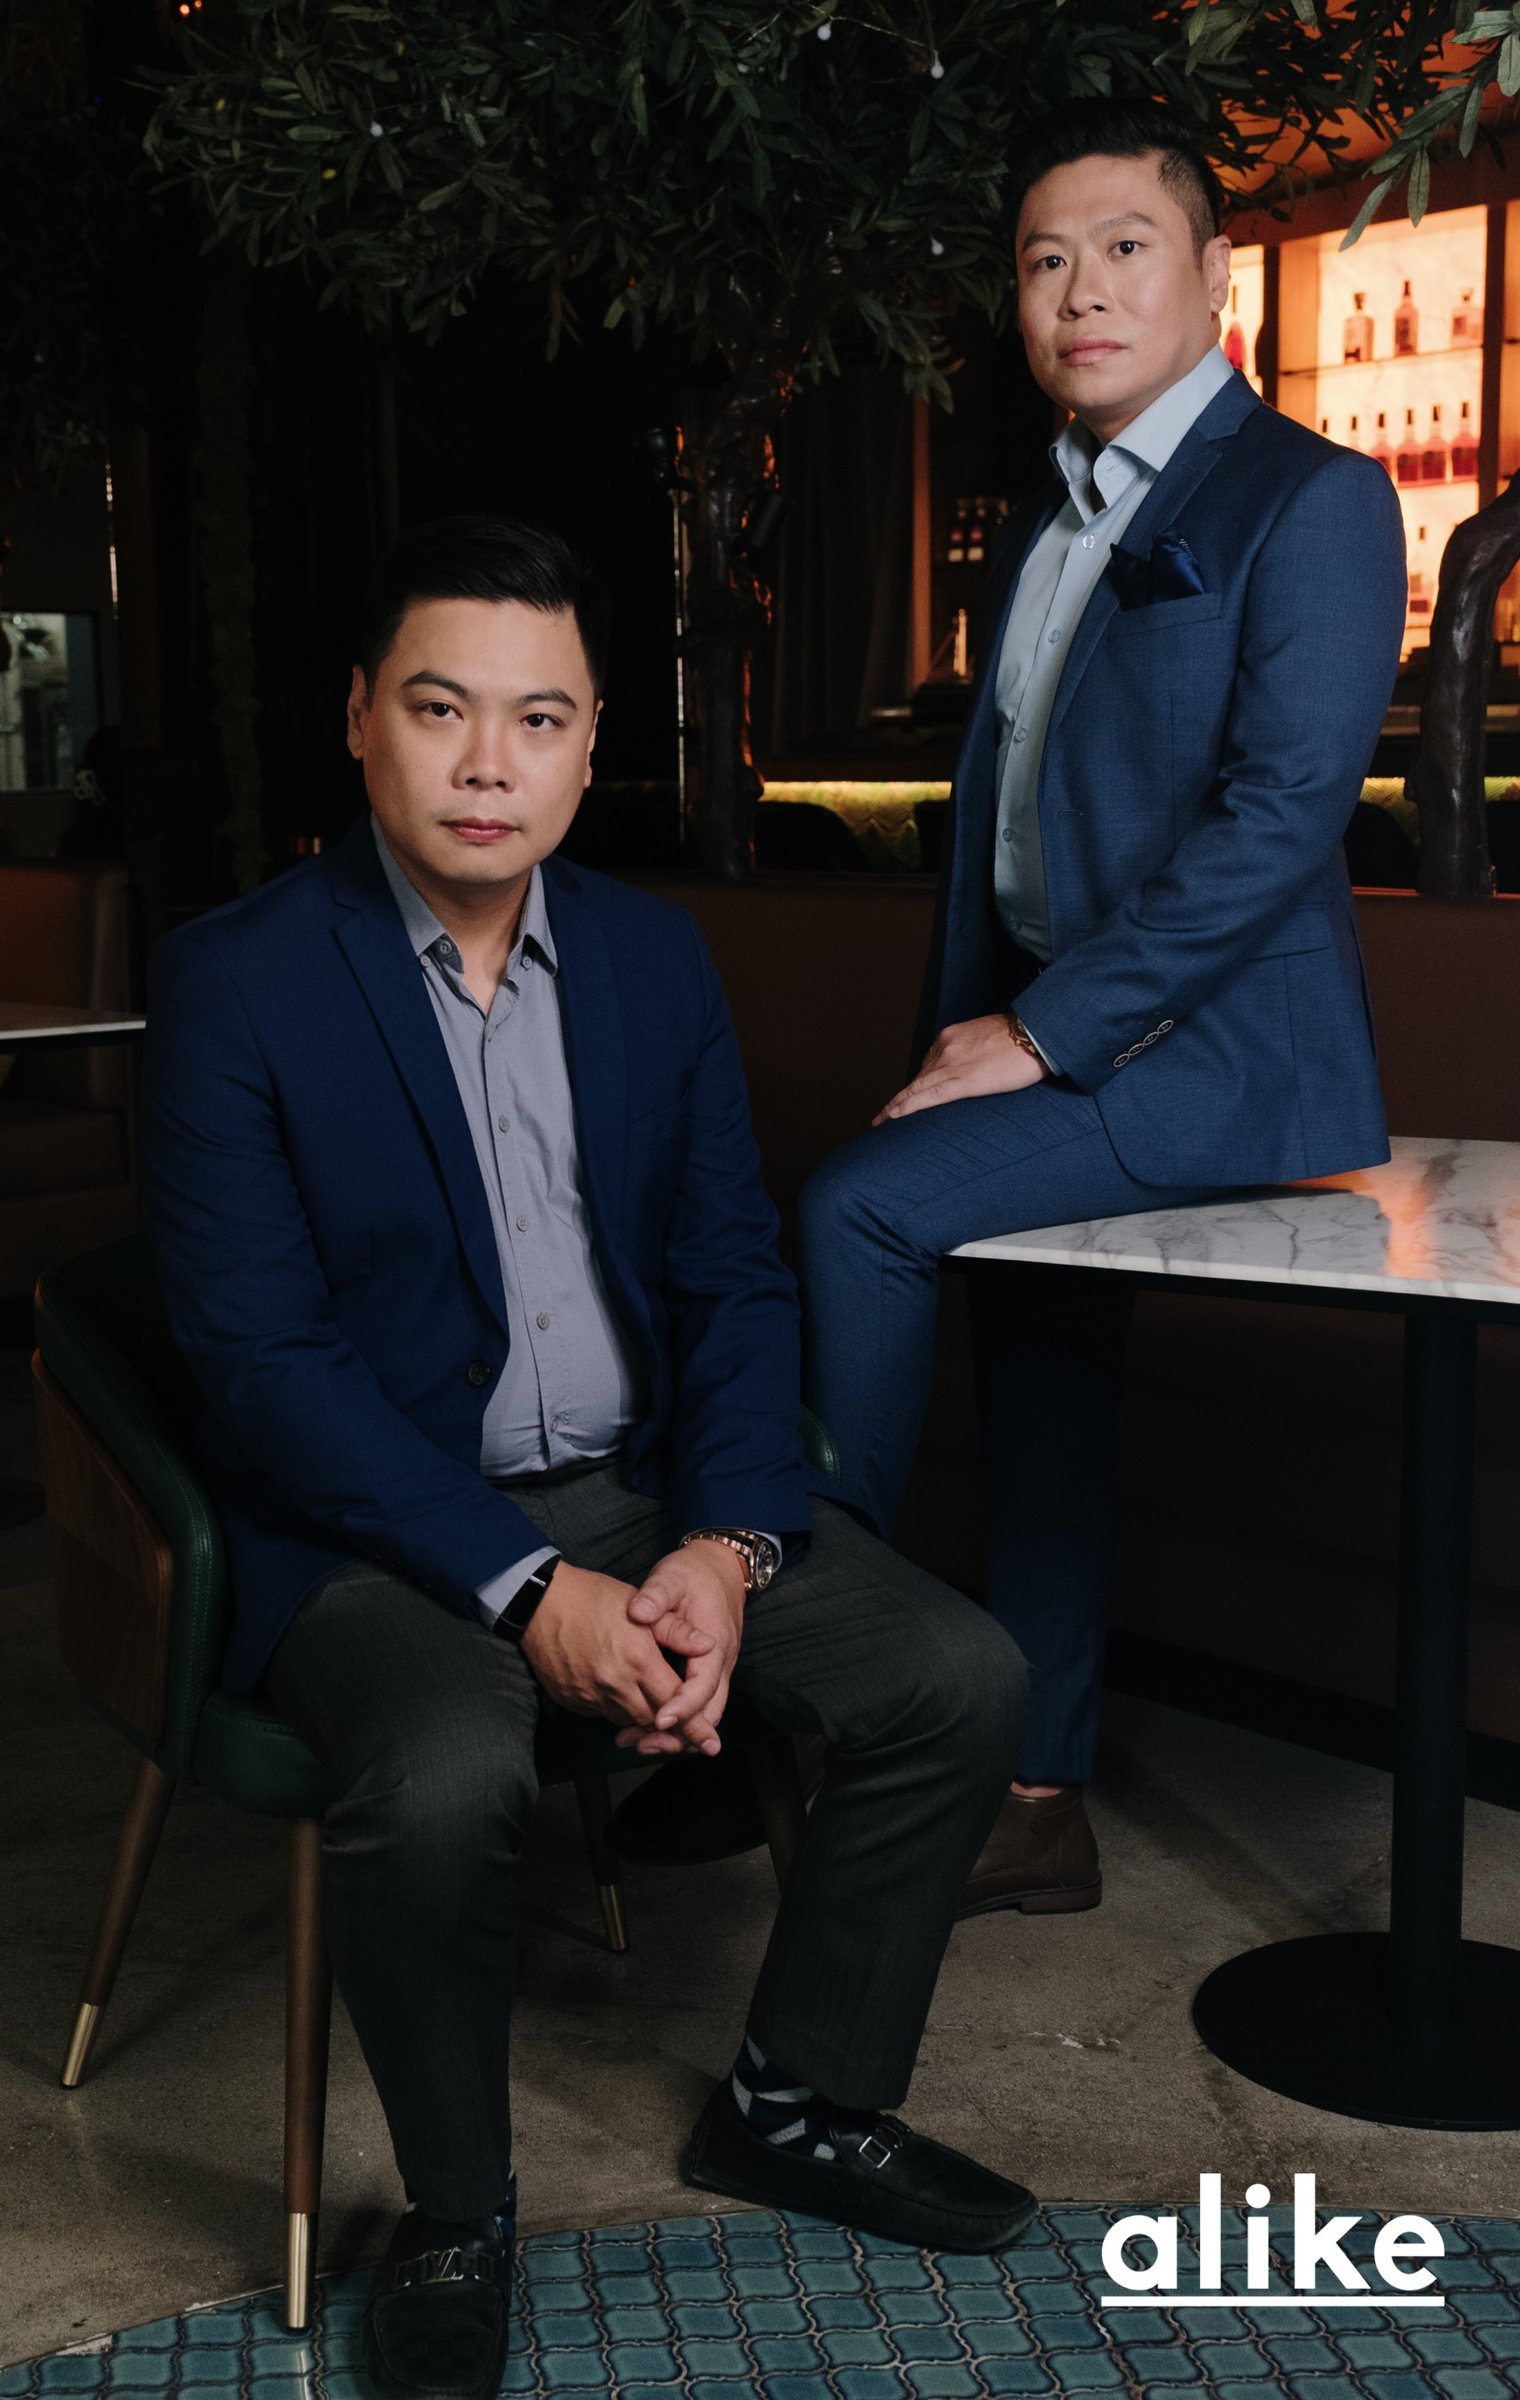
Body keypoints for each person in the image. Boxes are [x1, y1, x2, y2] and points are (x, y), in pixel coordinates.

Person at [142, 515, 1033, 2400]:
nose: (489, 763)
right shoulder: (239, 978)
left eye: (537, 720)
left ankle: (797, 2104)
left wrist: (724, 1544)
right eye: (440, 709)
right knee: (450, 1765)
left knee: (958, 1675)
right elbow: (262, 1363)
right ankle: (459, 2211)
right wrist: (526, 1586)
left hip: (640, 1485)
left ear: (591, 739)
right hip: (376, 1525)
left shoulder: (646, 956)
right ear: (361, 719)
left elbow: (728, 1273)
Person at [796, 98, 1406, 1920]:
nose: (1079, 291)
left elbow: (1284, 818)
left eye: (1125, 248)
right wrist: (963, 1029)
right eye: (1043, 261)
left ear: (1216, 278)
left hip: (1224, 1066)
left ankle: (807, 1691)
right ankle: (1036, 1795)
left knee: (857, 1212)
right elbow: (1012, 821)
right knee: (1043, 1376)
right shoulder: (1040, 528)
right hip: (1046, 1038)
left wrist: (1039, 1039)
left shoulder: (1313, 498)